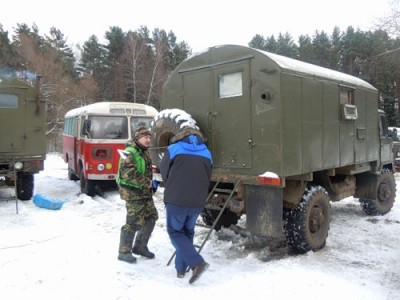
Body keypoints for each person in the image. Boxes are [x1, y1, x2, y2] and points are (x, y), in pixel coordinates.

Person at [160, 127, 213, 284]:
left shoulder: (174, 148)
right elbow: (208, 175)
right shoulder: (207, 153)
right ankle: (181, 269)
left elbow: (164, 172)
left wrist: (174, 185)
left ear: (180, 136)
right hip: (197, 201)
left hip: (177, 200)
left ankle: (197, 262)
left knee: (175, 232)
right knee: (187, 232)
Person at [116, 126, 158, 263]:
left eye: (150, 137)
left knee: (151, 217)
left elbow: (145, 172)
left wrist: (152, 184)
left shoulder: (144, 153)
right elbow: (128, 174)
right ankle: (123, 251)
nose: (148, 140)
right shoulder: (129, 152)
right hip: (133, 193)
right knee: (133, 222)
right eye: (145, 137)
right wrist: (148, 183)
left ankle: (140, 246)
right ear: (137, 138)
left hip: (144, 192)